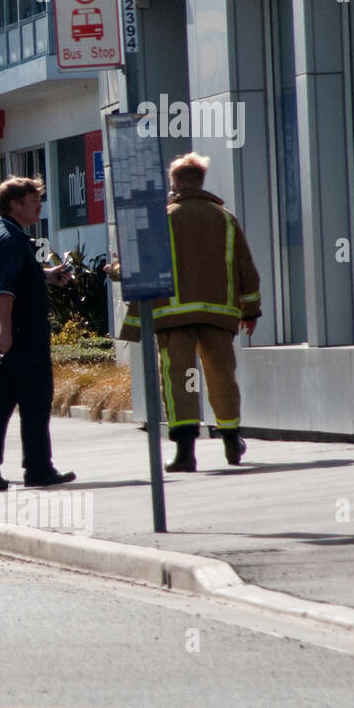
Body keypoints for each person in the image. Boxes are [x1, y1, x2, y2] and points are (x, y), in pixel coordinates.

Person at [119, 152, 261, 472]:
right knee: (221, 377)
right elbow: (246, 270)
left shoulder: (163, 217)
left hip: (173, 315)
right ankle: (231, 441)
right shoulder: (225, 219)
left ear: (176, 182)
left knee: (181, 379)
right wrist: (250, 311)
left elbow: (142, 265)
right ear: (201, 181)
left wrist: (115, 269)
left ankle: (185, 453)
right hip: (219, 316)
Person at [0, 177, 77, 492]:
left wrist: (45, 275)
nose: (39, 207)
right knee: (34, 400)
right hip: (19, 335)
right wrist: (4, 332)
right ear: (15, 204)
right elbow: (2, 289)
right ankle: (36, 468)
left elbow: (12, 276)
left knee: (2, 399)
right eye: (34, 201)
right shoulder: (11, 240)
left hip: (0, 331)